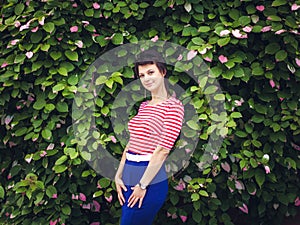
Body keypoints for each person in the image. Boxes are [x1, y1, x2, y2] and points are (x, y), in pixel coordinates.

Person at [114, 49, 184, 225]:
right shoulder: (144, 106)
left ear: (163, 72)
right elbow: (132, 142)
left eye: (151, 72)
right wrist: (118, 174)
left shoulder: (173, 107)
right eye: (142, 75)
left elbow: (162, 150)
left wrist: (142, 185)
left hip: (148, 178)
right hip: (129, 173)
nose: (147, 78)